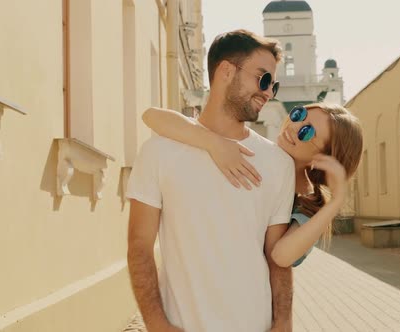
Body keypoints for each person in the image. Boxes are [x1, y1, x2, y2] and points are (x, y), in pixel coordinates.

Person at [126, 29, 295, 332]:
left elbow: (277, 256)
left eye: (274, 84)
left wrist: (283, 321)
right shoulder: (159, 152)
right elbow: (139, 246)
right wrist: (156, 324)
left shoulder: (278, 164)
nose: (269, 92)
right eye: (263, 79)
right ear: (227, 71)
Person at [142, 101, 364, 268]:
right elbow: (152, 116)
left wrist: (335, 203)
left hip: (249, 302)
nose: (294, 127)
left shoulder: (310, 204)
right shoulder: (250, 148)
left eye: (307, 132)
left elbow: (281, 256)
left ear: (324, 158)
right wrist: (212, 142)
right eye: (299, 115)